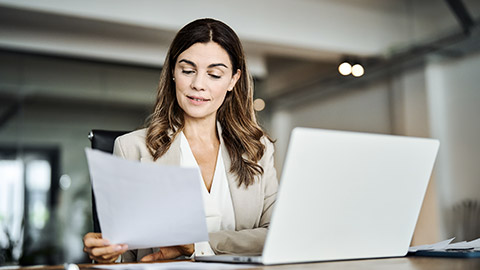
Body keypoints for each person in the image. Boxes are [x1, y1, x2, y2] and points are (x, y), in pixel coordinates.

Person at [83, 18, 278, 263]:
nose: (198, 84)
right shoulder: (131, 147)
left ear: (233, 80)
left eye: (214, 74)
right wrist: (104, 257)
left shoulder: (258, 149)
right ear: (173, 73)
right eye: (188, 71)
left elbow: (275, 236)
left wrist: (197, 245)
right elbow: (125, 257)